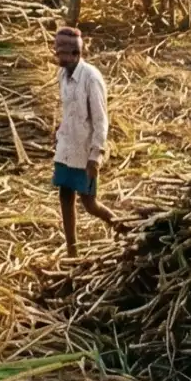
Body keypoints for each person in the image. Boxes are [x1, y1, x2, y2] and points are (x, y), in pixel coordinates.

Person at [50, 27, 116, 253]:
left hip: (84, 151)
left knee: (89, 203)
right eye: (57, 51)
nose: (58, 56)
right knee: (65, 195)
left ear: (75, 54)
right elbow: (68, 111)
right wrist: (59, 135)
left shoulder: (91, 78)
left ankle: (123, 227)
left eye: (62, 53)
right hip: (66, 147)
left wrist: (96, 154)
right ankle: (72, 250)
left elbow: (101, 119)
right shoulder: (62, 75)